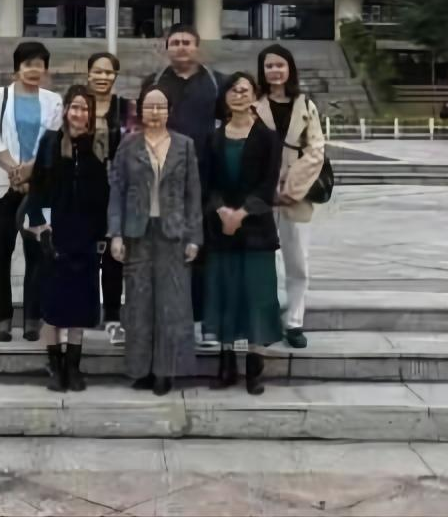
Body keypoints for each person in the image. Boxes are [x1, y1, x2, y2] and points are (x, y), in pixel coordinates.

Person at [108, 85, 201, 395]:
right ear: (140, 110)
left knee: (171, 303)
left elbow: (193, 194)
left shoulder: (184, 145)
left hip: (173, 232)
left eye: (161, 106)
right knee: (139, 302)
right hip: (137, 232)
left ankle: (165, 371)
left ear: (169, 111)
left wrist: (194, 237)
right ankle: (140, 369)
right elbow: (117, 191)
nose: (155, 112)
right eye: (149, 106)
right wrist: (116, 233)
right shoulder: (128, 145)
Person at [201, 71, 284, 394]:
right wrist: (222, 211)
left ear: (254, 95)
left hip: (256, 230)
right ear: (225, 97)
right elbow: (207, 183)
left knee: (256, 296)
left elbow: (268, 184)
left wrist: (242, 213)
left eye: (244, 90)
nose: (238, 95)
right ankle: (226, 365)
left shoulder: (268, 138)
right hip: (221, 228)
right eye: (233, 90)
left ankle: (253, 367)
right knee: (225, 292)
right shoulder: (213, 138)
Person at [139, 23, 220, 349]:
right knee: (164, 250)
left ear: (197, 46)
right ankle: (164, 320)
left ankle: (201, 321)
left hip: (207, 179)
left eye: (187, 42)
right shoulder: (154, 83)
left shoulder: (216, 83)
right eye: (175, 42)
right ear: (166, 47)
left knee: (202, 250)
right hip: (163, 180)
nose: (181, 47)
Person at [23, 85, 109, 392]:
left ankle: (73, 366)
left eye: (85, 108)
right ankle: (55, 365)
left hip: (84, 237)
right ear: (66, 110)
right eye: (75, 107)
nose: (79, 113)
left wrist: (101, 234)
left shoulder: (96, 146)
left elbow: (103, 196)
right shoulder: (50, 142)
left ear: (90, 114)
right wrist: (43, 226)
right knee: (53, 306)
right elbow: (39, 190)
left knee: (79, 307)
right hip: (53, 234)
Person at [0, 40, 63, 343]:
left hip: (39, 187)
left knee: (37, 254)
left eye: (39, 64)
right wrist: (15, 170)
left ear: (46, 69)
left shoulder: (54, 101)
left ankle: (32, 318)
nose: (33, 70)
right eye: (28, 64)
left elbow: (52, 142)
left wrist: (30, 172)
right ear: (17, 68)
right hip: (2, 185)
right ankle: (2, 318)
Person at [254, 43, 327, 349]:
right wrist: (266, 188)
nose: (275, 71)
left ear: (290, 69)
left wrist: (291, 190)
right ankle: (266, 317)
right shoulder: (252, 104)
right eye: (269, 66)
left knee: (297, 260)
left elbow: (316, 150)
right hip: (260, 195)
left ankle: (295, 321)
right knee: (263, 259)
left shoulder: (305, 104)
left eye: (280, 65)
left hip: (297, 195)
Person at [87, 51, 137, 345]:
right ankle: (84, 311)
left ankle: (113, 318)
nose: (103, 77)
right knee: (83, 255)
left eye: (108, 72)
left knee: (114, 256)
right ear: (88, 74)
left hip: (116, 192)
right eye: (98, 71)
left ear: (115, 76)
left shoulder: (126, 108)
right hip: (83, 193)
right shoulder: (78, 105)